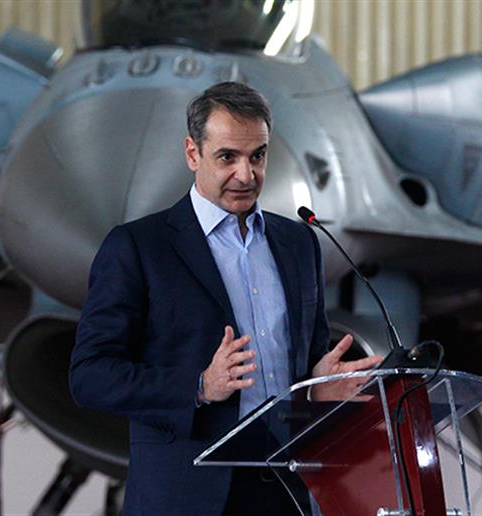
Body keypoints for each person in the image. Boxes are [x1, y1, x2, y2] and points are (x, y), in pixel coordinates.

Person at [70, 82, 382, 516]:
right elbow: (90, 376)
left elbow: (304, 363)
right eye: (227, 158)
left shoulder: (299, 243)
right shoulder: (139, 247)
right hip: (187, 496)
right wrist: (199, 386)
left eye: (257, 156)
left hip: (286, 490)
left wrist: (316, 387)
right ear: (192, 154)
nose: (246, 175)